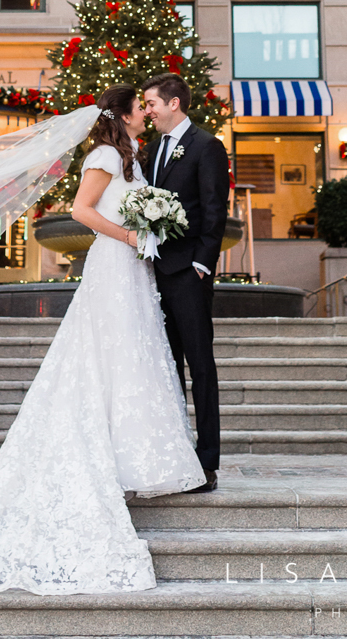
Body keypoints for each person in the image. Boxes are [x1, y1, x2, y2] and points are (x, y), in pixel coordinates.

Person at [0, 84, 204, 593]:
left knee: (132, 356)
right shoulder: (105, 153)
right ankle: (109, 452)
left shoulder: (129, 156)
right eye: (139, 109)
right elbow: (83, 211)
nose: (146, 115)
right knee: (108, 353)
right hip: (113, 264)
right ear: (124, 114)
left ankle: (138, 456)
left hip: (132, 270)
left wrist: (148, 228)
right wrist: (130, 234)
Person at [142, 72, 231, 493]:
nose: (148, 110)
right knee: (166, 367)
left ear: (173, 103)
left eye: (152, 103)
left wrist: (202, 264)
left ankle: (207, 461)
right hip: (155, 273)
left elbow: (215, 209)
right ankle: (176, 455)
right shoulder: (153, 148)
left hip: (189, 275)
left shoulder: (207, 146)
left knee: (200, 366)